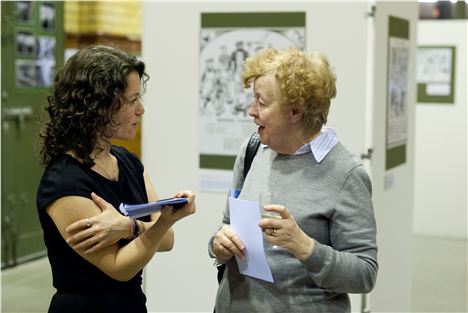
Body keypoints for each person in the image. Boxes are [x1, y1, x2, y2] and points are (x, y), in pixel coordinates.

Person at [208, 47, 378, 312]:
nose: (251, 111)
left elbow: (365, 274)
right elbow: (228, 224)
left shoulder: (346, 174)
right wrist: (218, 245)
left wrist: (306, 247)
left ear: (295, 112)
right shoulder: (253, 151)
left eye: (261, 103)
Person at [36, 45, 196, 313]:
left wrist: (128, 227)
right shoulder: (64, 182)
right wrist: (149, 226)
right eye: (132, 101)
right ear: (99, 107)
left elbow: (167, 240)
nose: (141, 110)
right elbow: (119, 267)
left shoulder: (128, 162)